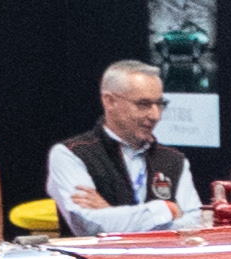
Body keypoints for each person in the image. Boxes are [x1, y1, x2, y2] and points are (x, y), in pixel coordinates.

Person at [44, 58, 203, 234]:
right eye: (143, 104)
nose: (155, 115)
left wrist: (108, 213)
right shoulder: (70, 154)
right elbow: (89, 226)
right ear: (110, 102)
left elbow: (193, 227)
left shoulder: (173, 160)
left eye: (160, 104)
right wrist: (166, 209)